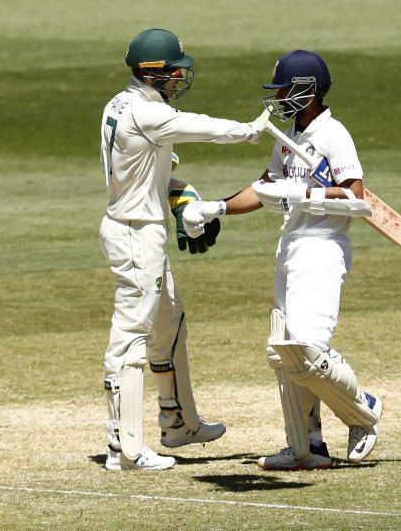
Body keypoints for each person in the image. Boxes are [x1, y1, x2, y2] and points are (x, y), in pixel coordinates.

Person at [182, 50, 382, 470]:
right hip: (289, 245)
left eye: (285, 89)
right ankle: (307, 448)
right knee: (285, 353)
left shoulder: (334, 135)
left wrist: (301, 195)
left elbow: (355, 197)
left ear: (307, 90)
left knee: (307, 349)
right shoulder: (288, 137)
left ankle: (363, 410)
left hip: (323, 246)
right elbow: (264, 188)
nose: (278, 97)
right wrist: (215, 207)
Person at [99, 28, 267, 471]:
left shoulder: (122, 102)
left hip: (140, 227)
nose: (179, 79)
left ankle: (179, 424)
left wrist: (183, 199)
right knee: (131, 333)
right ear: (151, 73)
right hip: (135, 233)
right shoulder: (148, 115)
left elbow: (157, 175)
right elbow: (202, 127)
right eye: (173, 72)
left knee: (169, 324)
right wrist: (251, 130)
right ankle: (125, 448)